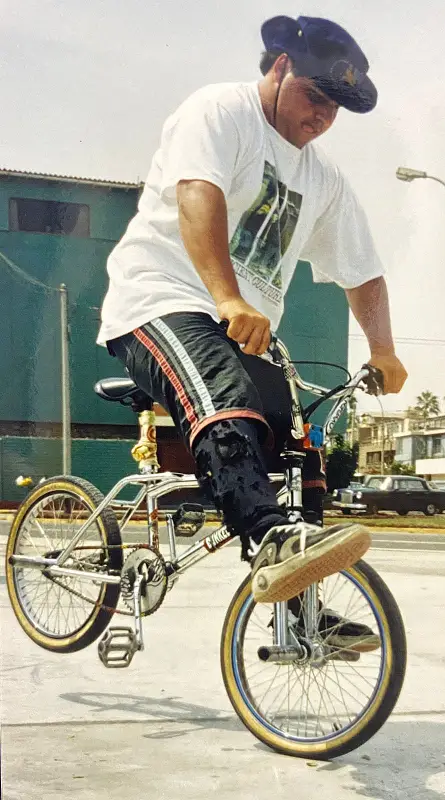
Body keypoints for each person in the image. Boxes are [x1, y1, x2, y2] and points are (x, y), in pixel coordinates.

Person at [97, 15, 407, 650]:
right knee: (223, 396)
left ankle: (302, 611)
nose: (322, 116)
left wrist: (383, 349)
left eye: (336, 107)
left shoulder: (323, 179)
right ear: (278, 68)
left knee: (300, 451)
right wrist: (227, 295)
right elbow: (197, 195)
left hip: (244, 331)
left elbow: (363, 271)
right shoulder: (220, 111)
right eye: (316, 96)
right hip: (160, 302)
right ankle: (269, 540)